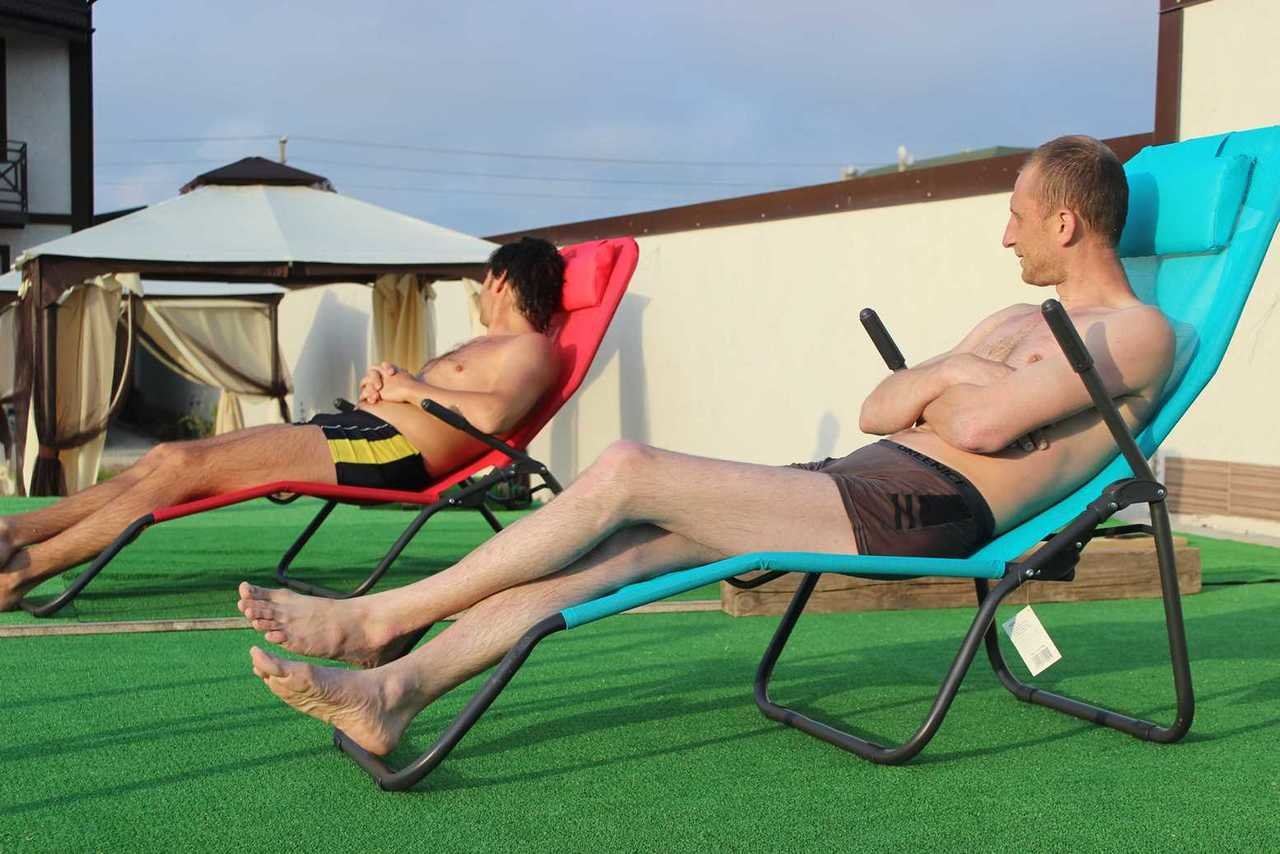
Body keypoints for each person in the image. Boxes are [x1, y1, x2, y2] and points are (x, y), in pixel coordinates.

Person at [241, 135, 1176, 757]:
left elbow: (972, 429)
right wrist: (967, 377)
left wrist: (952, 386)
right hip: (862, 479)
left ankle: (378, 621)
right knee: (615, 551)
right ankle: (395, 693)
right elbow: (878, 406)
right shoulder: (1014, 321)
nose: (1004, 233)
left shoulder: (1135, 333)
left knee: (627, 470)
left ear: (1065, 222)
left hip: (926, 510)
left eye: (1017, 213)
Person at [0, 237, 566, 609]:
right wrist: (390, 382)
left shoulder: (531, 349)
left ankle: (23, 572)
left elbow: (492, 415)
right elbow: (447, 402)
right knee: (170, 457)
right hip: (360, 432)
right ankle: (17, 532)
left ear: (499, 280)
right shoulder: (490, 344)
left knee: (186, 472)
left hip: (387, 452)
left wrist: (409, 389)